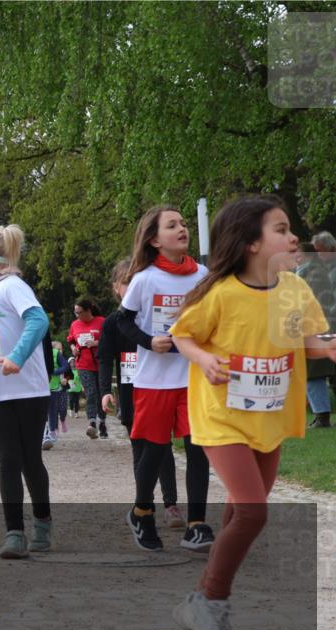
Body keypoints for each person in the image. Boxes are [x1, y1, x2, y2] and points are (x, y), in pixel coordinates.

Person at [169, 195, 336, 630]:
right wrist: (203, 359)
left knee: (242, 513)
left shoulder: (294, 290)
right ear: (250, 244)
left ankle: (197, 603)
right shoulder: (220, 293)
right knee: (254, 513)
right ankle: (211, 605)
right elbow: (183, 334)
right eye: (281, 229)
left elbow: (302, 338)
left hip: (269, 417)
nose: (292, 236)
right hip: (221, 418)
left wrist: (328, 346)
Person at [116, 205, 214, 553]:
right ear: (155, 239)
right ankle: (142, 512)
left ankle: (197, 524)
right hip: (154, 380)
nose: (182, 228)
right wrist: (148, 341)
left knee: (197, 449)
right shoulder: (144, 279)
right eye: (172, 225)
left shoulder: (202, 274)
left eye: (184, 223)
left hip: (192, 378)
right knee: (155, 451)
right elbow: (121, 322)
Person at [0, 224, 52, 558]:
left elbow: (39, 321)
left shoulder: (13, 285)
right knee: (8, 460)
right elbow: (6, 334)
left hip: (29, 390)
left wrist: (17, 357)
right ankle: (14, 534)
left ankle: (42, 525)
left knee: (30, 459)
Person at [100, 259, 183, 528]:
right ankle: (143, 505)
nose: (132, 287)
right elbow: (104, 359)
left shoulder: (154, 316)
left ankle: (171, 504)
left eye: (136, 281)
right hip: (129, 391)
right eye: (127, 283)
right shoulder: (114, 322)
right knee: (139, 447)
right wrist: (104, 391)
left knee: (162, 447)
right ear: (116, 288)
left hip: (159, 387)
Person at [299, 236, 336, 428]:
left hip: (319, 329)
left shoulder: (313, 273)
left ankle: (322, 416)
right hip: (318, 328)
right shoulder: (311, 271)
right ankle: (320, 415)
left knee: (314, 373)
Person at [68, 297, 107, 439]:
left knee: (101, 394)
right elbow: (71, 340)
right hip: (83, 364)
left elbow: (109, 340)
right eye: (75, 313)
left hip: (100, 363)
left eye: (79, 312)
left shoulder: (102, 322)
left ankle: (102, 421)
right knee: (91, 392)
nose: (77, 315)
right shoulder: (75, 324)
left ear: (88, 310)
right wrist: (73, 349)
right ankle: (92, 423)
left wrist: (96, 342)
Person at [42, 341, 71, 450]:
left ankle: (52, 430)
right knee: (41, 411)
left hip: (54, 387)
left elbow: (66, 366)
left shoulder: (55, 353)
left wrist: (55, 371)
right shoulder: (32, 351)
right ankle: (45, 435)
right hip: (38, 386)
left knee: (53, 410)